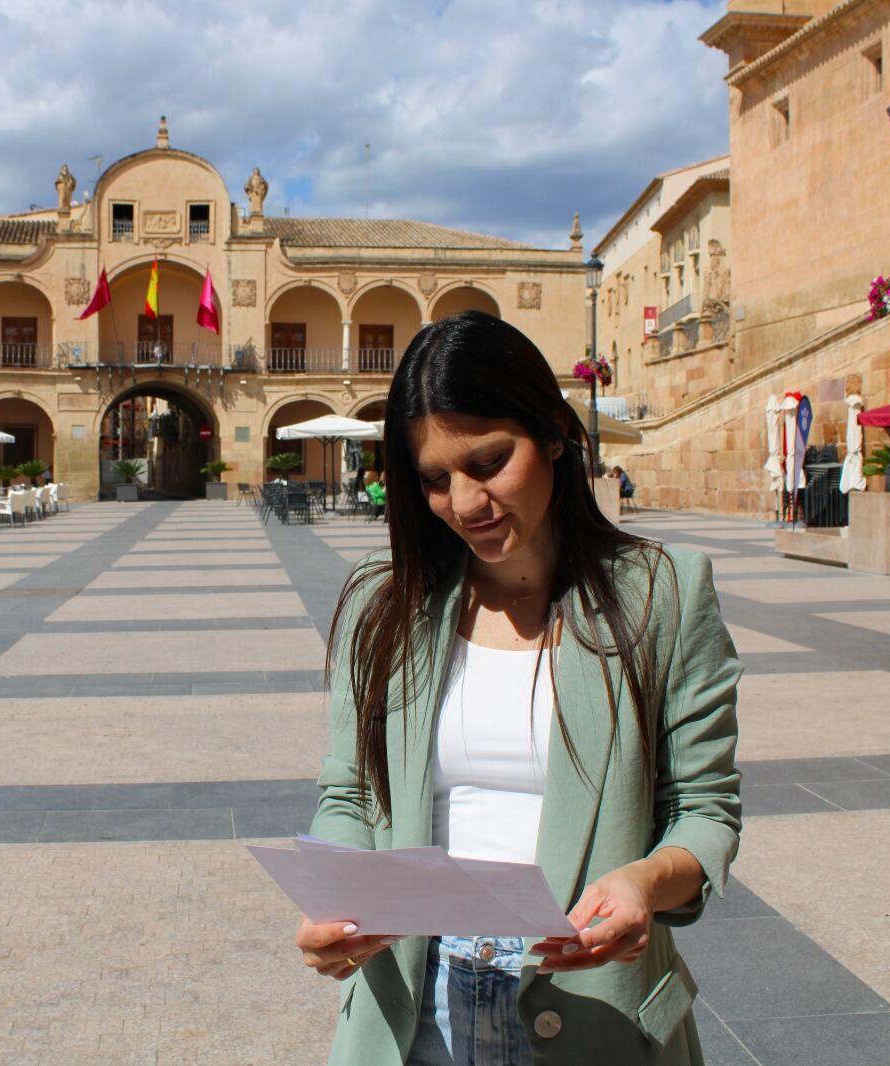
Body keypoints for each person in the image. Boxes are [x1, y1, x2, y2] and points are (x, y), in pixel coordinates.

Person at [295, 311, 740, 1065]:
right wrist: (337, 905)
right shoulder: (387, 603)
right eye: (435, 479)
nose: (465, 503)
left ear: (555, 436)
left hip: (596, 1009)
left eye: (490, 461)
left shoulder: (663, 593)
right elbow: (348, 794)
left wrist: (643, 882)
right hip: (413, 1005)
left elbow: (706, 810)